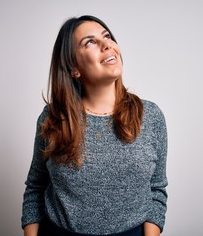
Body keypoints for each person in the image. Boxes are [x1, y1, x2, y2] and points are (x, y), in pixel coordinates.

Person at [21, 15, 168, 236]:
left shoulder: (150, 116)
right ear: (74, 68)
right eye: (90, 42)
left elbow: (157, 190)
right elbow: (35, 188)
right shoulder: (52, 118)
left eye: (107, 36)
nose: (107, 44)